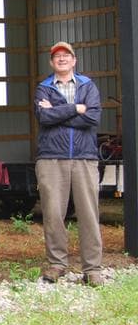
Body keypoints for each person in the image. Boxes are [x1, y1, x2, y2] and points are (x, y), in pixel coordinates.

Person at [34, 41, 103, 286]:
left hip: (84, 158)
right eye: (57, 56)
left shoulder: (88, 85)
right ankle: (57, 264)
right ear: (52, 62)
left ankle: (92, 269)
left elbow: (93, 117)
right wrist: (76, 108)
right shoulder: (43, 88)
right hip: (51, 158)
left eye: (66, 55)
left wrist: (58, 112)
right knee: (53, 213)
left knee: (88, 213)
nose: (62, 59)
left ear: (74, 60)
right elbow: (44, 117)